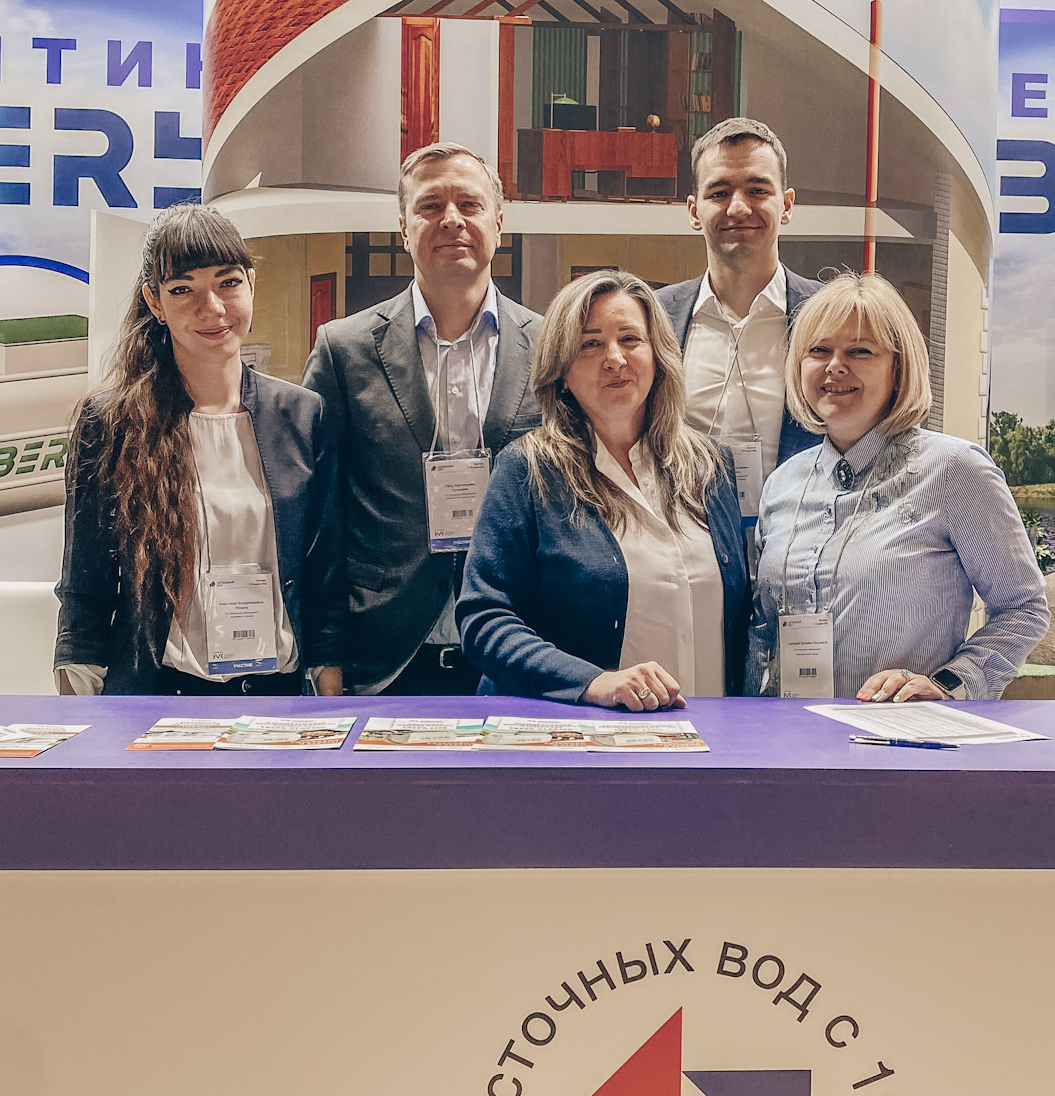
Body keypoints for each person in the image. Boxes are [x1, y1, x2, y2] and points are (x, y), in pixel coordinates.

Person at [54, 204, 344, 697]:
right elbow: (85, 588)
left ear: (251, 284)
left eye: (228, 282)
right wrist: (78, 708)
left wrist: (328, 690)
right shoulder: (111, 423)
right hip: (158, 697)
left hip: (277, 699)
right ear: (154, 301)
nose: (212, 308)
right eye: (182, 289)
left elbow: (325, 576)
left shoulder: (303, 415)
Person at [303, 142, 542, 694]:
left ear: (499, 223)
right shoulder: (344, 350)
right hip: (382, 656)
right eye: (430, 206)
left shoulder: (553, 345)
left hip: (517, 646)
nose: (451, 219)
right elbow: (321, 515)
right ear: (403, 229)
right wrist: (325, 651)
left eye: (469, 204)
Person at [747, 271, 1048, 702]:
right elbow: (761, 633)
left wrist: (949, 684)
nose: (835, 366)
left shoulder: (954, 470)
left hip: (895, 734)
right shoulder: (782, 483)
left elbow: (1023, 608)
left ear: (898, 368)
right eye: (819, 350)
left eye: (860, 351)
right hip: (785, 732)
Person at [457, 271, 750, 707]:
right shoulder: (527, 470)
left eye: (630, 339)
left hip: (714, 731)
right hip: (585, 737)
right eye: (590, 344)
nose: (614, 358)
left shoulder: (711, 467)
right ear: (561, 372)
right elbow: (484, 619)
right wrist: (592, 682)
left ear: (658, 356)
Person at [652, 117, 821, 524]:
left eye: (758, 190)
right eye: (719, 192)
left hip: (801, 547)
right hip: (681, 543)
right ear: (694, 211)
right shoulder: (653, 317)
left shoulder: (828, 316)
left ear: (787, 205)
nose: (739, 207)